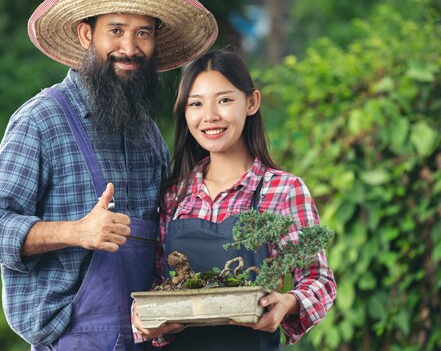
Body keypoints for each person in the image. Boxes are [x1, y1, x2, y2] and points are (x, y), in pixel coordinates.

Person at [0, 0, 217, 350]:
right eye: (116, 30)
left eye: (143, 33)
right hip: (70, 338)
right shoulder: (42, 120)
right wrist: (78, 232)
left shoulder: (149, 136)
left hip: (146, 338)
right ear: (87, 35)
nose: (130, 47)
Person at [132, 49, 336, 350]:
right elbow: (157, 283)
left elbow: (319, 281)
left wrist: (286, 302)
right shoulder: (174, 195)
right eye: (196, 104)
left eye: (225, 100)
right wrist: (142, 319)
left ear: (251, 102)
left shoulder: (283, 190)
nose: (210, 116)